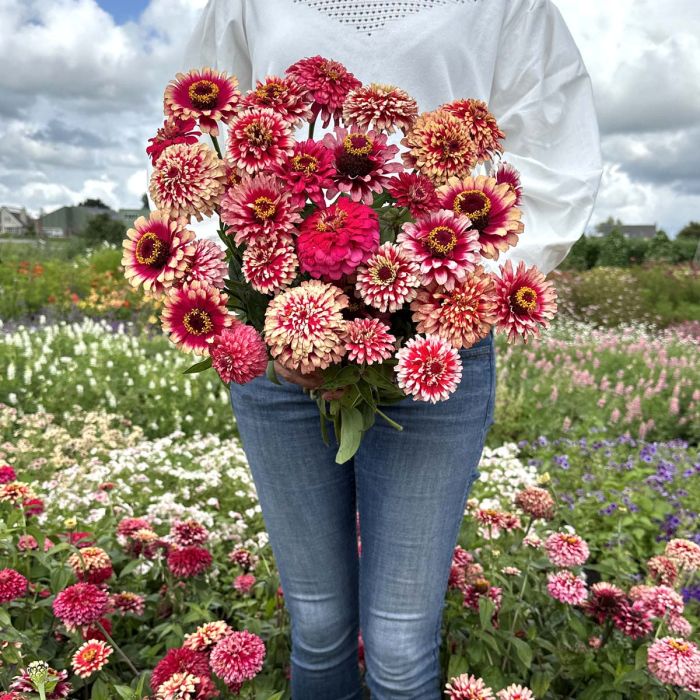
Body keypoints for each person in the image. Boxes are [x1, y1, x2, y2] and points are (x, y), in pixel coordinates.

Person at [183, 2, 603, 698]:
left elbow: (555, 153)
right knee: (316, 629)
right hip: (280, 345)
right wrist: (260, 309)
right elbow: (198, 153)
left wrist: (461, 287)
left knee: (402, 644)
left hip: (438, 334)